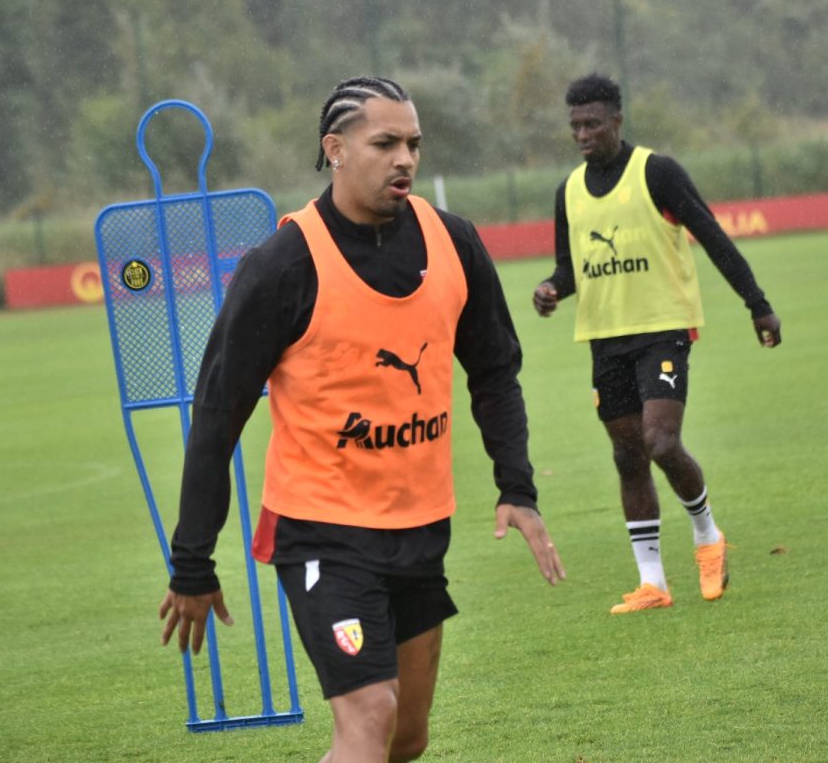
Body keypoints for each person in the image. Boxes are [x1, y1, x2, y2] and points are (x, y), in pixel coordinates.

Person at [159, 76, 566, 762]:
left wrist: (516, 487)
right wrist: (192, 562)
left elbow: (495, 373)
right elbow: (217, 416)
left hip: (418, 528)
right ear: (336, 148)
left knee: (406, 738)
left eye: (413, 143)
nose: (404, 158)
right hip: (322, 534)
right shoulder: (283, 265)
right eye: (385, 143)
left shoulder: (455, 243)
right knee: (370, 719)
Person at [532, 73, 780, 615]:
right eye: (574, 125)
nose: (582, 134)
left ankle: (708, 537)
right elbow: (569, 270)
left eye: (592, 123)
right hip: (604, 336)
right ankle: (652, 583)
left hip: (663, 327)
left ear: (617, 121)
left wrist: (756, 303)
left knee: (661, 443)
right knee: (627, 455)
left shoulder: (657, 172)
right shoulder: (568, 192)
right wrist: (552, 289)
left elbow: (712, 236)